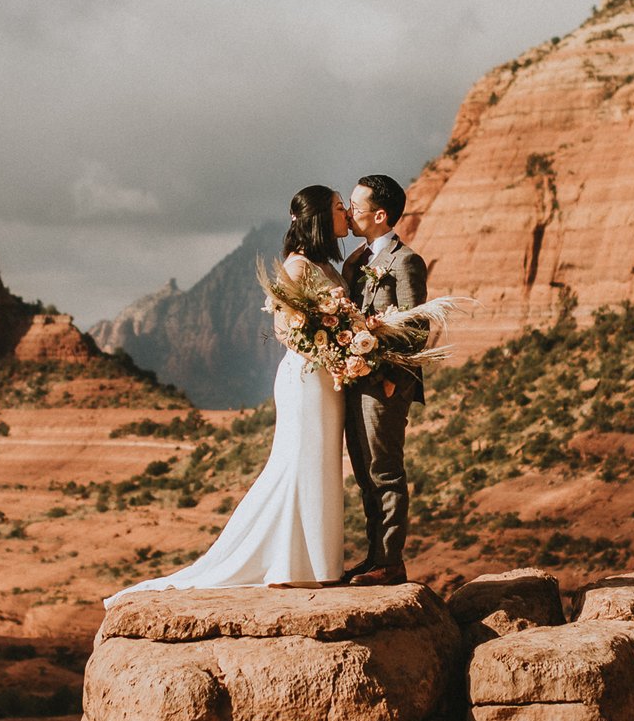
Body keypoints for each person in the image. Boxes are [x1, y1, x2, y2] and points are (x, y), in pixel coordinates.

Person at [103, 185, 352, 602]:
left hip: (330, 378)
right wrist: (330, 347)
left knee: (322, 459)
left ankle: (318, 563)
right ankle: (287, 562)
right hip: (308, 376)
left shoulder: (325, 265)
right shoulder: (296, 267)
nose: (345, 213)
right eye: (338, 208)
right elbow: (284, 329)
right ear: (319, 219)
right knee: (298, 459)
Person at [340, 173, 429, 586]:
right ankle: (373, 556)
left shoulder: (405, 261)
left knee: (386, 471)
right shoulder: (355, 261)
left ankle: (390, 561)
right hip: (355, 381)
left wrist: (393, 378)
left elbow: (416, 327)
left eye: (356, 207)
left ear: (380, 214)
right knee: (363, 472)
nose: (350, 213)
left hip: (386, 385)